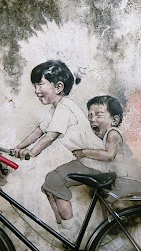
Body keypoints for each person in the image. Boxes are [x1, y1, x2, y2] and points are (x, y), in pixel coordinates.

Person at [13, 60, 107, 230]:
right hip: (88, 160)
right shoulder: (57, 109)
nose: (36, 91)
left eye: (40, 84)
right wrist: (18, 147)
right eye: (34, 86)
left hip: (95, 161)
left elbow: (50, 136)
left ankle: (70, 231)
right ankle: (62, 227)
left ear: (58, 87)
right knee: (48, 186)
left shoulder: (65, 108)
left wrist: (31, 153)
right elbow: (39, 131)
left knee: (54, 181)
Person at [72, 95, 141, 198]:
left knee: (108, 200)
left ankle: (114, 214)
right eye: (90, 116)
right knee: (100, 197)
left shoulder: (113, 133)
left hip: (128, 178)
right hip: (125, 178)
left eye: (99, 115)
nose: (92, 119)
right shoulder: (107, 136)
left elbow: (109, 155)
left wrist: (84, 152)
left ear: (114, 120)